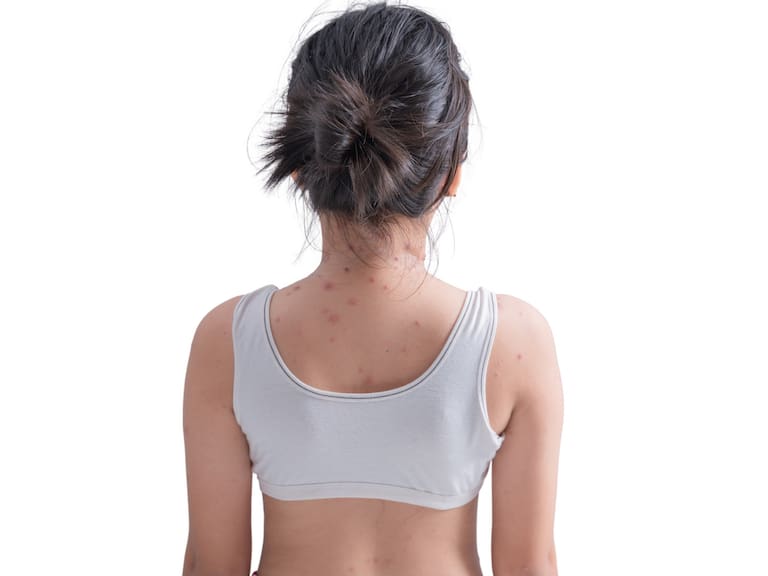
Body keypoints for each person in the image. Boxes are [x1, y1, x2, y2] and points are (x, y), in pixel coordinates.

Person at [182, 2, 563, 575]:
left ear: (301, 164)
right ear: (453, 170)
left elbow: (213, 567)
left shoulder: (228, 343)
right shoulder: (512, 343)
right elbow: (529, 567)